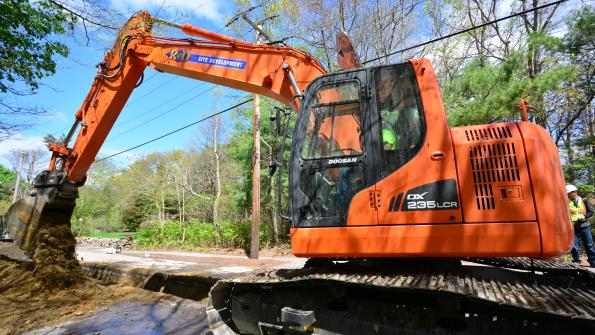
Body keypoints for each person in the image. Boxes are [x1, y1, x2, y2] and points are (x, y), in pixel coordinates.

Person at [566, 184, 595, 267]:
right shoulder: (565, 201)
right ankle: (576, 261)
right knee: (574, 245)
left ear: (574, 192)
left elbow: (591, 212)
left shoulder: (584, 200)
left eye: (569, 193)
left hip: (584, 225)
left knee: (589, 244)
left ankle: (593, 261)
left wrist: (584, 216)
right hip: (572, 226)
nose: (567, 195)